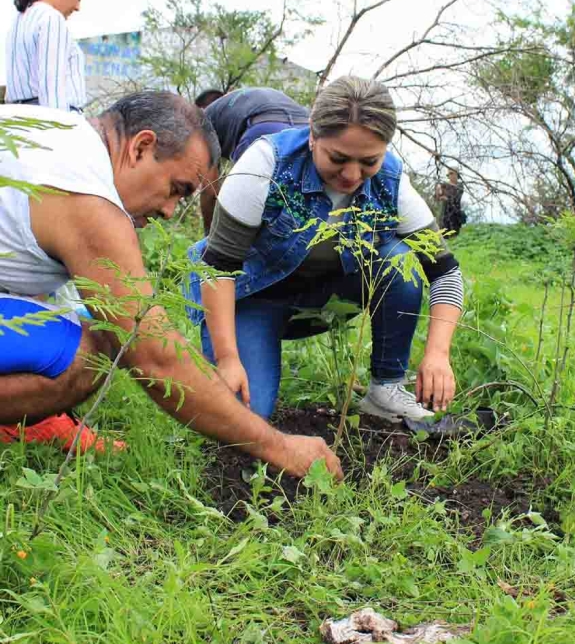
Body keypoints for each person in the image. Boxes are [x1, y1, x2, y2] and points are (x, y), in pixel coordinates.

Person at [0, 92, 342, 478]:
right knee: (96, 346)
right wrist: (279, 447)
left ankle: (28, 417)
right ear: (142, 147)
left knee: (80, 317)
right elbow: (154, 357)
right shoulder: (87, 199)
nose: (167, 211)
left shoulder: (59, 130)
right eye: (177, 190)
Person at [186, 76, 464, 423]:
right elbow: (218, 268)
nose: (351, 174)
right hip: (254, 295)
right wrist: (228, 359)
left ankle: (386, 388)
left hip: (322, 297)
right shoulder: (265, 166)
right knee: (243, 418)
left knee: (398, 260)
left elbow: (446, 273)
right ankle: (239, 353)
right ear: (313, 136)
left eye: (369, 161)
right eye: (338, 157)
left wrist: (438, 353)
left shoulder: (391, 182)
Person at [199, 87, 310, 232]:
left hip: (264, 128)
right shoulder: (244, 98)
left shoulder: (203, 120)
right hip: (306, 131)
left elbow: (209, 190)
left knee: (241, 210)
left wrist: (209, 237)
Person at [5, 0, 88, 113]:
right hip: (52, 117)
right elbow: (53, 87)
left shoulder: (20, 19)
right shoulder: (51, 18)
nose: (78, 7)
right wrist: (61, 128)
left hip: (19, 115)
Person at [435, 169, 466, 236]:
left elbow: (455, 196)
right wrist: (438, 191)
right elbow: (438, 197)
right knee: (443, 232)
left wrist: (446, 197)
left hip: (455, 212)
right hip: (445, 212)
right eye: (449, 174)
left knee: (454, 232)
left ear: (456, 174)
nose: (450, 175)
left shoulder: (460, 185)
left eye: (452, 173)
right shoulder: (444, 185)